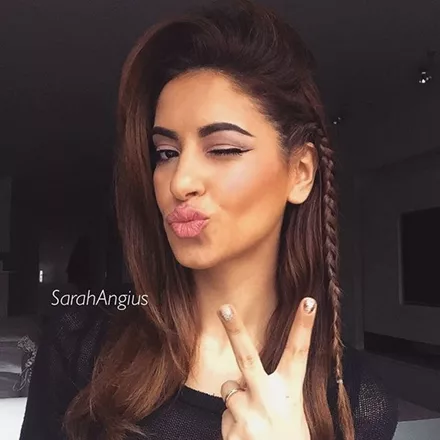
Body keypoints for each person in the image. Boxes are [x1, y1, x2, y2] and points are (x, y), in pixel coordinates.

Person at [19, 1, 398, 439]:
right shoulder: (79, 347)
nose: (180, 181)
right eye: (166, 153)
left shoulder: (354, 401)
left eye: (222, 149)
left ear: (300, 172)